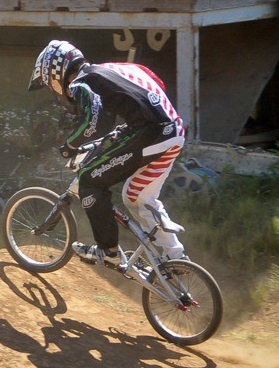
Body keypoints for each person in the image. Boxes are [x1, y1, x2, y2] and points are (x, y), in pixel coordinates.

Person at [28, 40, 188, 269]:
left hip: (151, 133)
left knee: (90, 180)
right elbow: (154, 83)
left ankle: (109, 250)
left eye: (48, 83)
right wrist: (124, 129)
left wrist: (70, 146)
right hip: (174, 131)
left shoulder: (81, 82)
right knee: (137, 196)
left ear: (56, 73)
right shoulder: (110, 69)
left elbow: (93, 122)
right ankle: (176, 257)